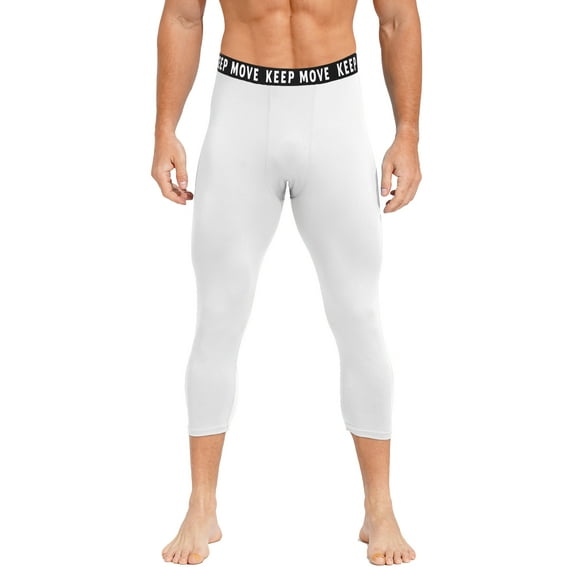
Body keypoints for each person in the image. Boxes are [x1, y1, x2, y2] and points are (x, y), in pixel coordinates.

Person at [151, 0, 422, 566]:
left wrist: (407, 134)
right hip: (240, 108)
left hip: (335, 107)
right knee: (218, 316)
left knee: (359, 314)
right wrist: (165, 130)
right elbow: (183, 16)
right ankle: (201, 505)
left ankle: (380, 507)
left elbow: (397, 17)